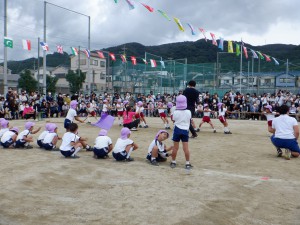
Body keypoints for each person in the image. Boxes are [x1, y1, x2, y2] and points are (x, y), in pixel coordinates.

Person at [170, 95, 193, 169]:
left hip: (177, 129)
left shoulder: (175, 112)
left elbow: (173, 120)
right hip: (185, 130)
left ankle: (173, 162)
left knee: (175, 148)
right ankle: (187, 163)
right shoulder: (189, 112)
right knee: (186, 148)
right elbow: (190, 120)